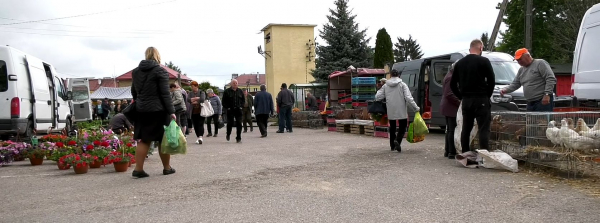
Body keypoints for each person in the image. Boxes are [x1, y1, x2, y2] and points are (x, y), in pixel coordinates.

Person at [130, 46, 176, 178]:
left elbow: (134, 91)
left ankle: (138, 169)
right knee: (163, 140)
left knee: (144, 140)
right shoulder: (160, 71)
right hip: (159, 110)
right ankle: (167, 168)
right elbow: (165, 94)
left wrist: (140, 101)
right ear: (157, 56)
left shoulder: (136, 72)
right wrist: (171, 111)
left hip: (141, 109)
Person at [450, 39, 495, 153]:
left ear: (470, 49)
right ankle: (485, 155)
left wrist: (461, 97)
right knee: (483, 128)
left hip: (467, 100)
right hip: (481, 99)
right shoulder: (484, 61)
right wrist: (487, 95)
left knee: (466, 128)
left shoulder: (459, 63)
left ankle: (465, 153)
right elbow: (491, 81)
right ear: (480, 48)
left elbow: (452, 84)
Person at [375, 69, 420, 152]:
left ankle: (392, 145)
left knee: (392, 127)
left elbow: (378, 97)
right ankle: (398, 140)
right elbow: (408, 98)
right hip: (401, 109)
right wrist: (416, 108)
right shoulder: (403, 85)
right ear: (399, 75)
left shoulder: (386, 85)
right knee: (402, 127)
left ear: (391, 75)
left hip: (390, 108)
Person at [440, 63, 461, 159]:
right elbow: (449, 94)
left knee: (449, 129)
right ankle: (451, 152)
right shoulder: (450, 77)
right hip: (450, 107)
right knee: (451, 129)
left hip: (448, 106)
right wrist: (459, 102)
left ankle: (448, 150)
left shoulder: (449, 76)